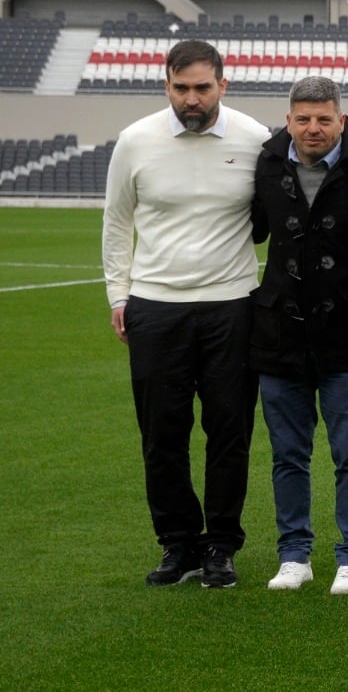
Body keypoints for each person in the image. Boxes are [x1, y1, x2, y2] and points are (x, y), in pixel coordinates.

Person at [102, 39, 269, 589]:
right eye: (181, 89)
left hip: (232, 305)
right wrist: (119, 296)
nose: (191, 100)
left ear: (224, 83)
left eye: (202, 88)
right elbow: (117, 222)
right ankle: (179, 544)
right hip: (155, 308)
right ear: (166, 85)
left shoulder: (255, 139)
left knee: (229, 432)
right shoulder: (135, 141)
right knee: (162, 435)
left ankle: (221, 544)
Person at [250, 76, 348, 595]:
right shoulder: (265, 164)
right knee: (288, 452)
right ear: (289, 121)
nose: (313, 128)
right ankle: (294, 555)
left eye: (324, 119)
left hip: (347, 332)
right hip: (278, 331)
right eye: (303, 119)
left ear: (341, 120)